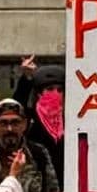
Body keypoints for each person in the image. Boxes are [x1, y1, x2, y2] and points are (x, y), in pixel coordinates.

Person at [15, 56, 65, 184]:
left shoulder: (70, 120)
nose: (55, 94)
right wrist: (27, 79)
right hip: (39, 185)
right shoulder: (30, 120)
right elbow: (16, 107)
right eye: (49, 89)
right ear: (39, 93)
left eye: (59, 90)